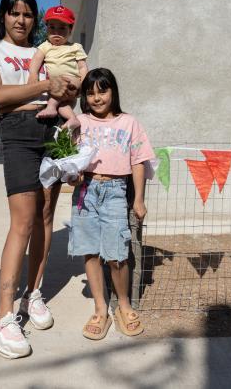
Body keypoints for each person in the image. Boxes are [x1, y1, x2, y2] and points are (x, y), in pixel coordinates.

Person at [0, 0, 74, 359]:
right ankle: (2, 318)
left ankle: (33, 293)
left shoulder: (45, 50)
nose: (21, 20)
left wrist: (68, 90)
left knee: (46, 216)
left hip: (53, 130)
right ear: (3, 15)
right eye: (14, 13)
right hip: (16, 129)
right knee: (23, 221)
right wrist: (47, 85)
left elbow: (69, 90)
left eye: (28, 14)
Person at [68, 68, 154, 339]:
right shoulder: (79, 122)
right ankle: (100, 309)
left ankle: (124, 306)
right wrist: (72, 175)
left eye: (102, 91)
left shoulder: (129, 123)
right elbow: (70, 159)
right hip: (86, 192)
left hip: (117, 191)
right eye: (90, 93)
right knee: (90, 252)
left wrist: (138, 199)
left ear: (113, 91)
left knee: (117, 254)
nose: (96, 98)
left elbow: (138, 161)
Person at [27, 5, 88, 130]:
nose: (57, 32)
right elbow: (36, 61)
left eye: (62, 28)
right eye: (52, 27)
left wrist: (84, 83)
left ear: (70, 30)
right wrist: (33, 75)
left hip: (72, 82)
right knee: (62, 106)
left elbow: (82, 67)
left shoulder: (75, 47)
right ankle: (73, 119)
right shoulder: (45, 46)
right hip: (56, 88)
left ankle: (50, 107)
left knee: (56, 96)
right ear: (47, 29)